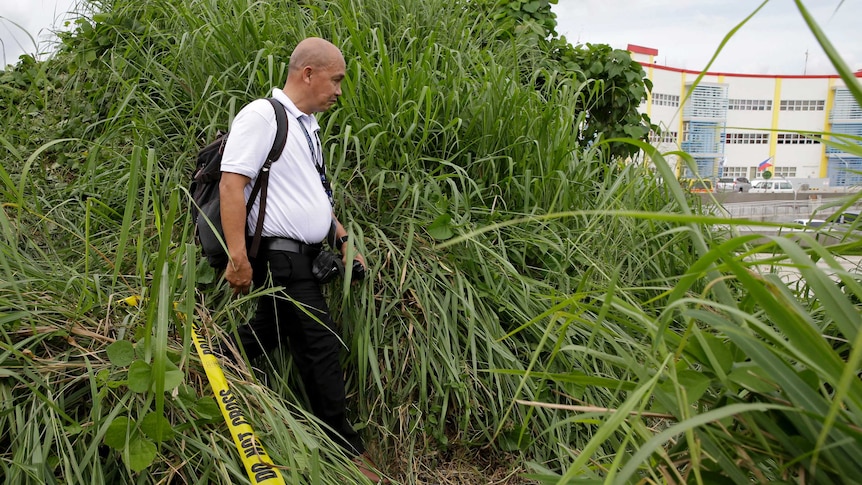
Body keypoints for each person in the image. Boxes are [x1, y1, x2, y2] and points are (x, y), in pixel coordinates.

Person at [218, 37, 382, 482]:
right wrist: (238, 258)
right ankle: (347, 451)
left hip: (306, 257)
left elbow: (312, 196)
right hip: (280, 259)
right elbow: (232, 183)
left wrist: (344, 238)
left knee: (267, 334)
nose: (340, 91)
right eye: (337, 80)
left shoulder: (306, 126)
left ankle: (210, 361)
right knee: (320, 348)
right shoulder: (261, 116)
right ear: (307, 73)